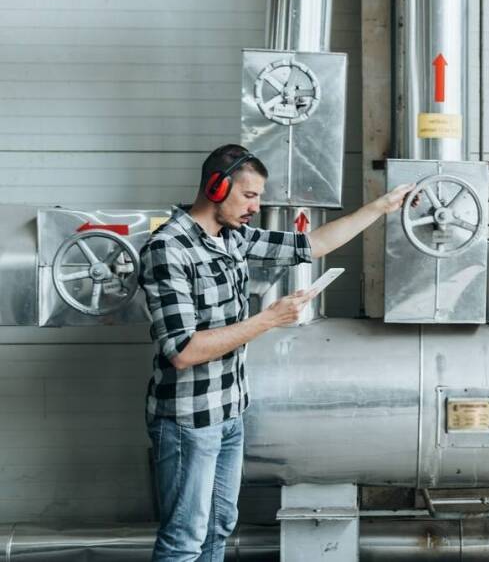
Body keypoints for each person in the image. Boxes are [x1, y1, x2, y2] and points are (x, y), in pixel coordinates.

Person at [139, 143, 412, 561]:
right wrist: (268, 319)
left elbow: (311, 244)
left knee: (218, 526)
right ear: (216, 187)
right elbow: (183, 350)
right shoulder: (168, 249)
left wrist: (381, 207)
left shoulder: (233, 238)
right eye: (249, 195)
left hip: (230, 412)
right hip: (189, 421)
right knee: (185, 538)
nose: (256, 207)